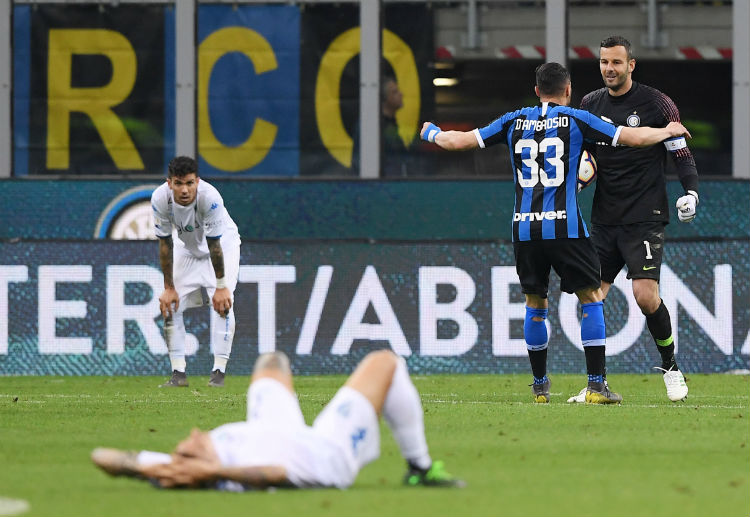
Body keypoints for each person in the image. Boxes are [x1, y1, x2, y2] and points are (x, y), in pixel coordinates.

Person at [420, 62, 690, 404]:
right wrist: (668, 130)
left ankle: (540, 388)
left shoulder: (513, 120)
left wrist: (430, 132)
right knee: (592, 299)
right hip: (566, 227)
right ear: (568, 90)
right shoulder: (576, 119)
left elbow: (457, 142)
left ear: (536, 90)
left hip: (525, 229)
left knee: (535, 304)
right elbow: (633, 137)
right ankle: (595, 386)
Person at [91, 350, 464, 490]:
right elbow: (276, 474)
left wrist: (146, 468)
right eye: (185, 447)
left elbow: (102, 457)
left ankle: (420, 468)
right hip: (324, 451)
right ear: (198, 463)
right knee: (385, 363)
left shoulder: (178, 465)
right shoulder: (234, 470)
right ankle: (421, 468)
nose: (189, 435)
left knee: (271, 363)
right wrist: (215, 472)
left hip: (276, 430)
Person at [568, 36, 698, 403]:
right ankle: (597, 384)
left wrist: (691, 191)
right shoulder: (590, 104)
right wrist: (578, 180)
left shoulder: (657, 103)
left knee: (644, 296)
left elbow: (681, 151)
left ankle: (671, 367)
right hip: (605, 218)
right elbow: (586, 156)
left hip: (645, 215)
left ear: (631, 65)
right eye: (604, 62)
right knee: (591, 299)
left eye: (616, 62)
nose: (609, 68)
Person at [151, 156, 241, 388]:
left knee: (222, 303)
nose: (184, 190)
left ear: (197, 181)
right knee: (171, 305)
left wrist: (221, 286)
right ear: (169, 183)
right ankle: (178, 374)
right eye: (179, 183)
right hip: (186, 247)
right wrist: (169, 288)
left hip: (223, 244)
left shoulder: (210, 198)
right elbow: (165, 244)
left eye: (189, 183)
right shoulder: (159, 199)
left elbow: (214, 246)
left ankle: (218, 372)